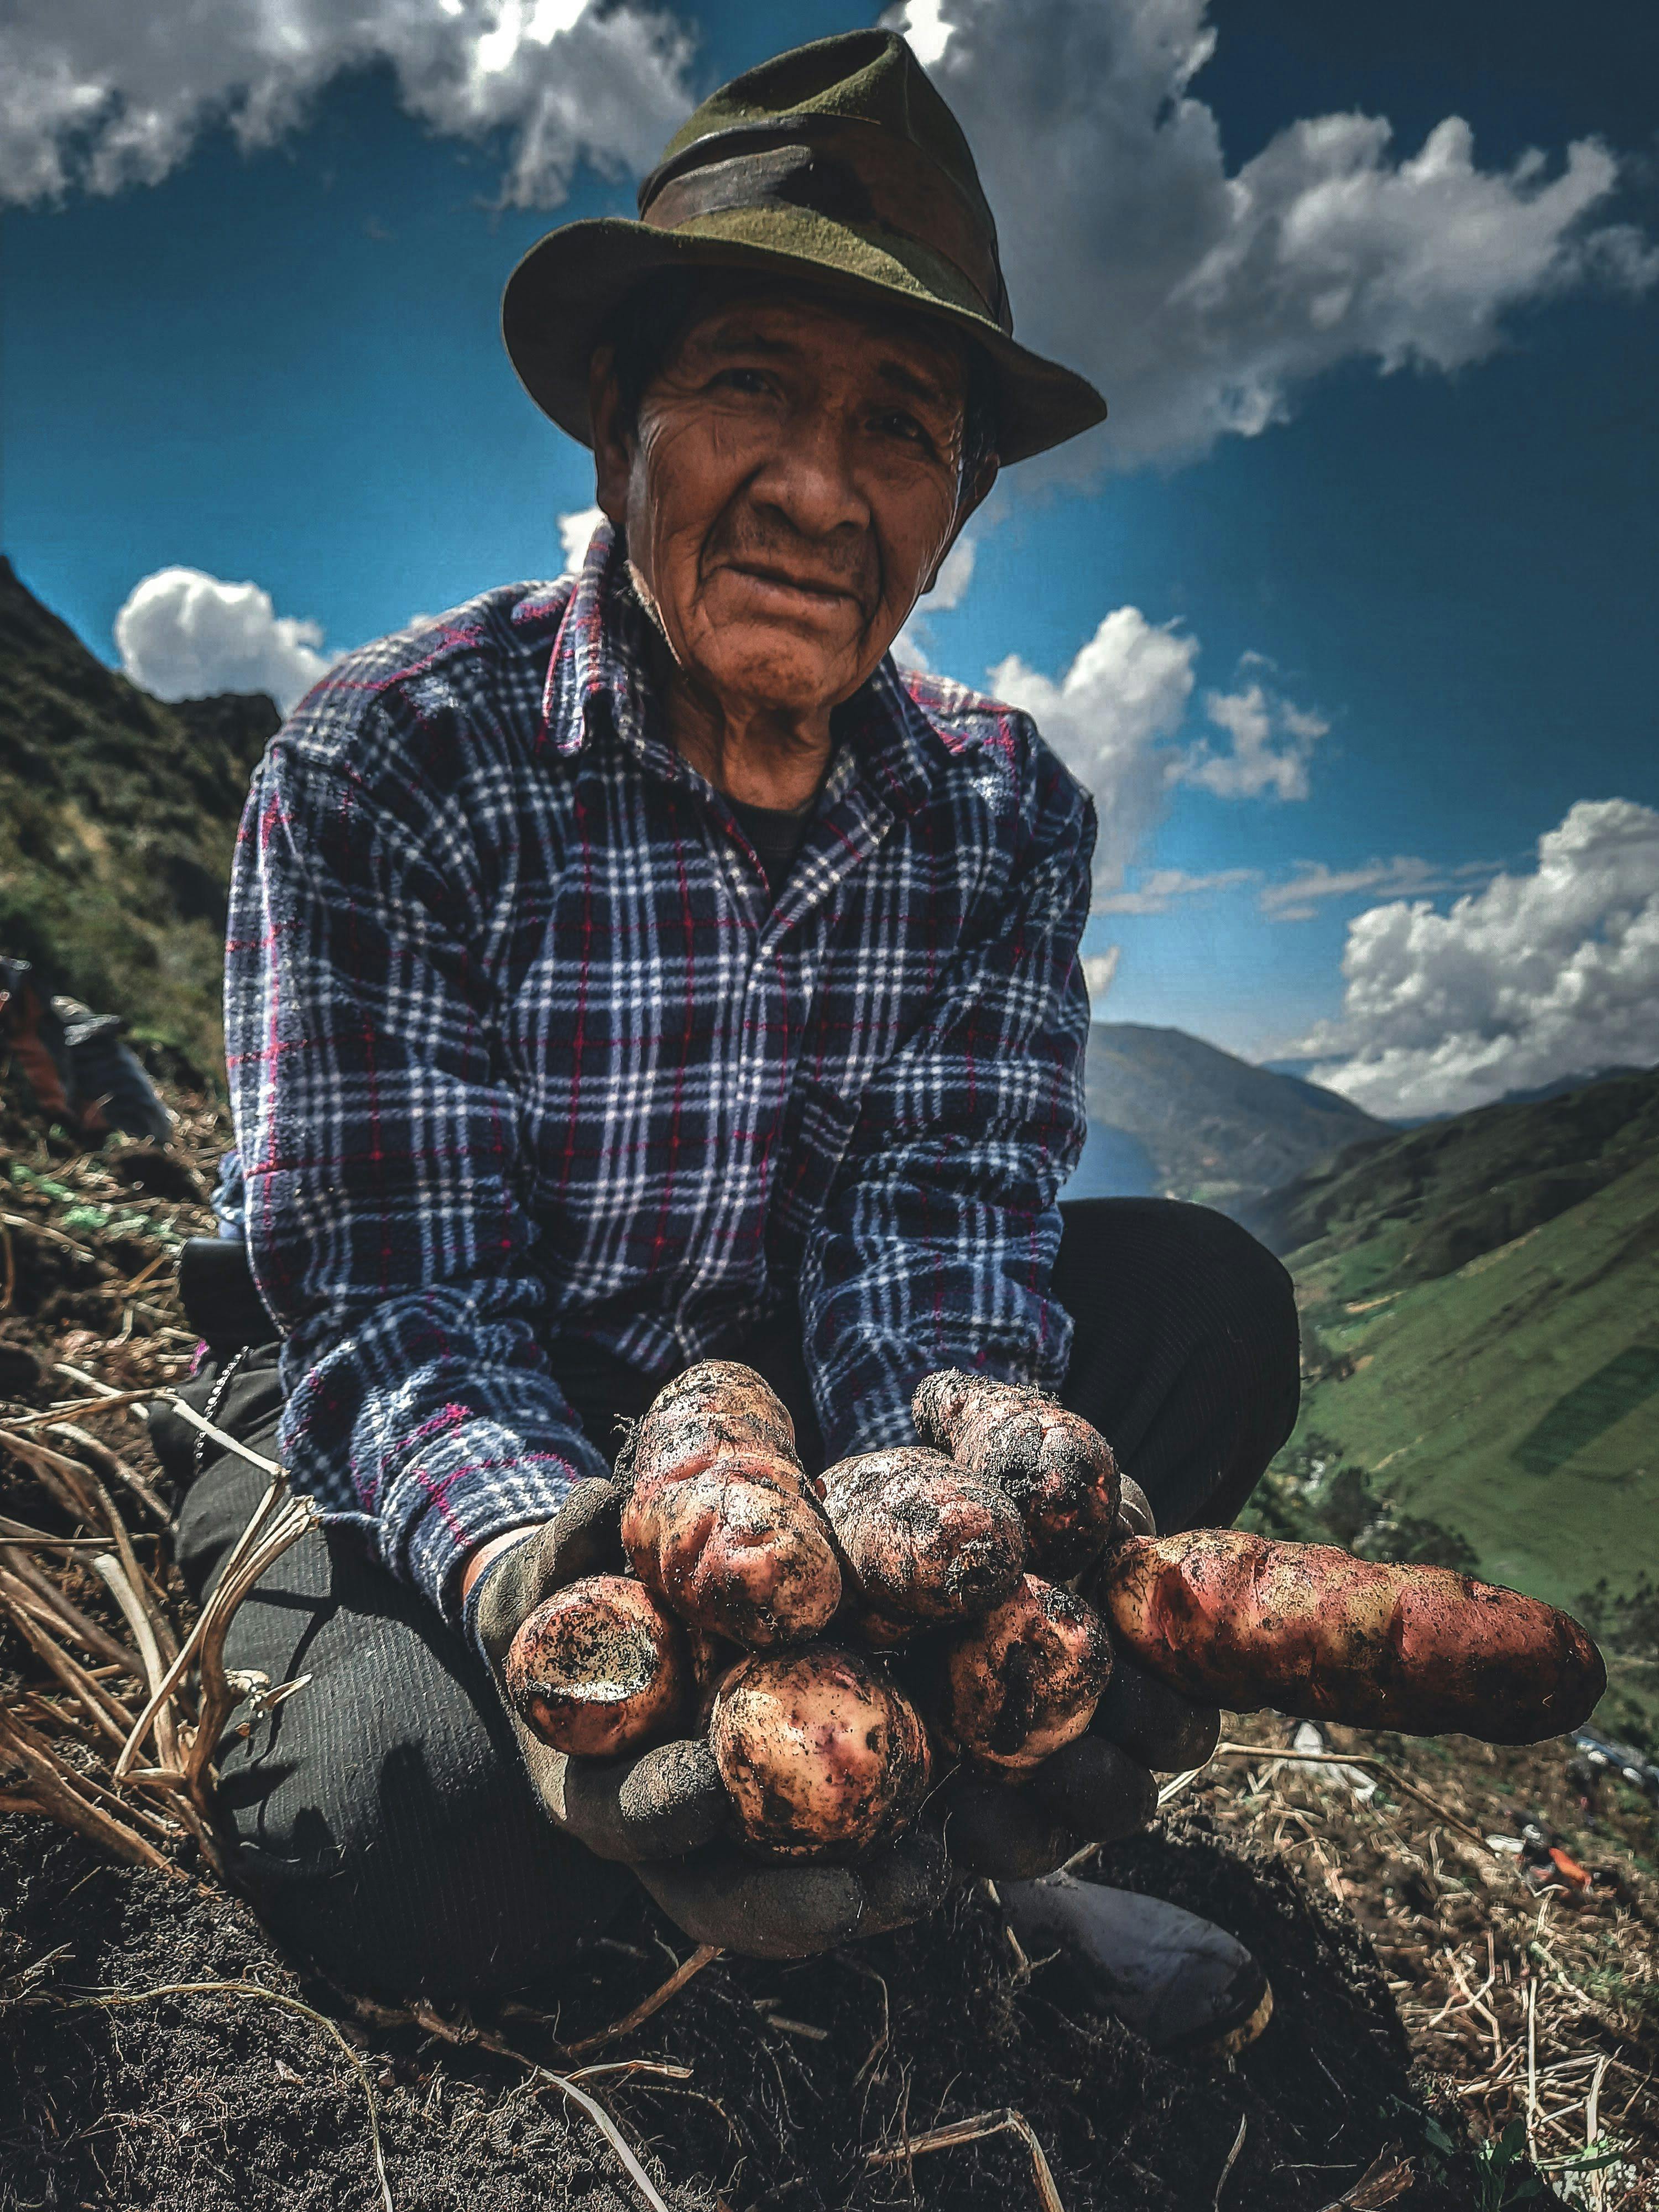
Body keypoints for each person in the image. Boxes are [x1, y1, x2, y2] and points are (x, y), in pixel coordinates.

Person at [154, 30, 1300, 2001]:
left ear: (959, 499)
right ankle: (730, 1851)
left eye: (899, 428)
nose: (815, 489)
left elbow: (934, 1237)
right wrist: (554, 1576)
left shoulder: (1006, 811)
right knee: (382, 1820)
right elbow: (405, 1308)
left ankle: (924, 1832)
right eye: (748, 386)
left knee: (1205, 1315)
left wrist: (930, 1548)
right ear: (617, 423)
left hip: (783, 1412)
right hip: (434, 1408)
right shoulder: (388, 760)